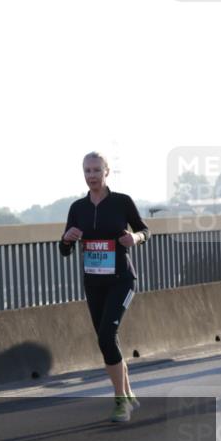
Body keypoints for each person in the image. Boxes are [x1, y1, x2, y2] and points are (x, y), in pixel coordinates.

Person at [59, 151, 148, 422]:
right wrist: (66, 239)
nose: (92, 176)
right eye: (87, 171)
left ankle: (121, 401)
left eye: (97, 170)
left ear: (106, 172)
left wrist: (135, 238)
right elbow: (65, 250)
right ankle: (128, 391)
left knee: (106, 336)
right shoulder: (78, 208)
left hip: (122, 280)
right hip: (94, 283)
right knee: (107, 338)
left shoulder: (121, 202)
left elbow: (145, 230)